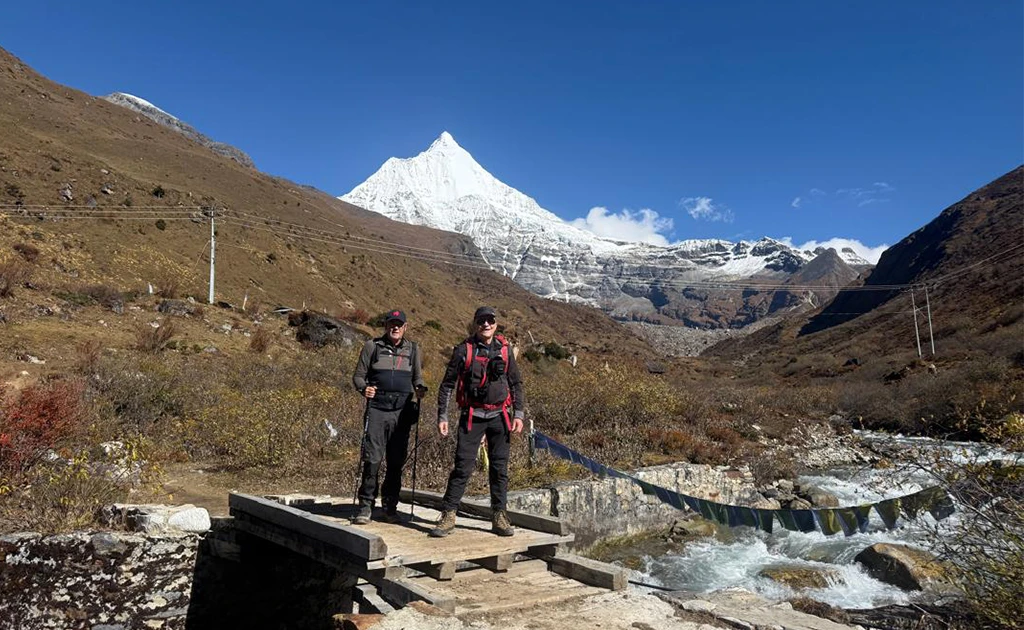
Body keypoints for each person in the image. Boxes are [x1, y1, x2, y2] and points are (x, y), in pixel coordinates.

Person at [431, 306, 525, 537]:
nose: (486, 325)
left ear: (495, 324)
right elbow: (447, 385)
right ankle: (449, 514)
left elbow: (516, 383)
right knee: (462, 467)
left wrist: (519, 414)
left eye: (490, 321)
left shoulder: (505, 350)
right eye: (482, 321)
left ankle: (499, 515)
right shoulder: (464, 350)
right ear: (475, 324)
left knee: (499, 469)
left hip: (500, 417)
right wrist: (442, 415)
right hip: (472, 416)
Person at [351, 309, 427, 524]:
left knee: (396, 461)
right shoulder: (372, 346)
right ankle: (366, 506)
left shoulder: (413, 349)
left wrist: (420, 388)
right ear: (386, 326)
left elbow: (417, 377)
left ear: (405, 327)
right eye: (391, 324)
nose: (395, 328)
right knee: (372, 459)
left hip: (402, 411)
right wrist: (363, 389)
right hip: (377, 409)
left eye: (399, 324)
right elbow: (358, 376)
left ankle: (390, 507)